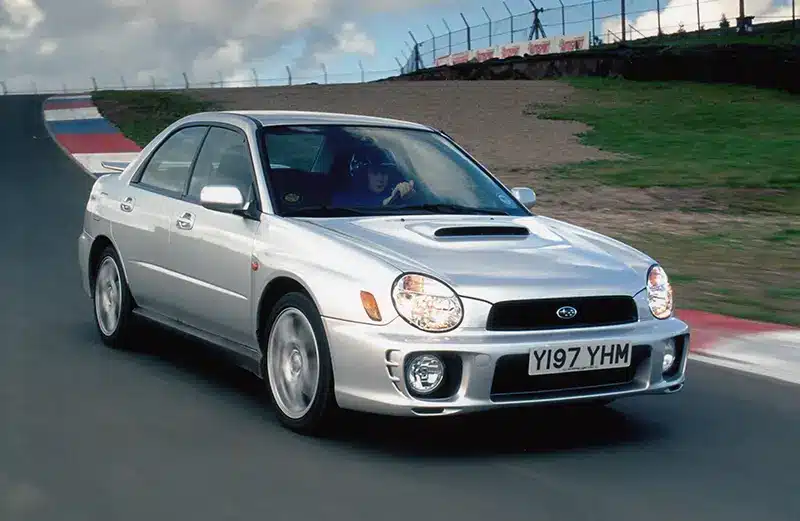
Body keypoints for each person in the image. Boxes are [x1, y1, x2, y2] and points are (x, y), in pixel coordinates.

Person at [330, 144, 415, 207]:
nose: (380, 179)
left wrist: (409, 195)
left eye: (384, 173)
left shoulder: (394, 193)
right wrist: (390, 200)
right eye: (375, 173)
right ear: (363, 175)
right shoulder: (344, 197)